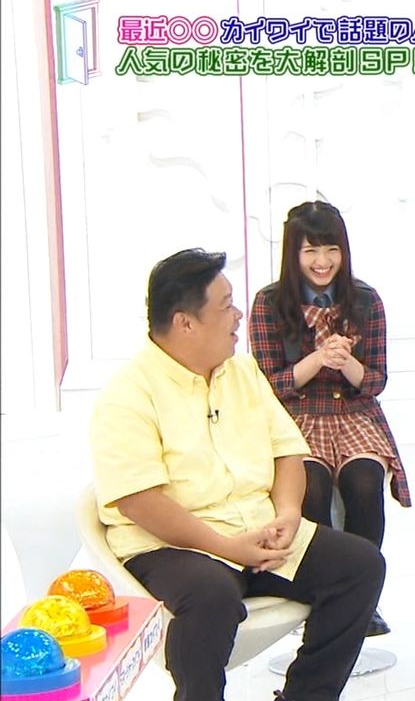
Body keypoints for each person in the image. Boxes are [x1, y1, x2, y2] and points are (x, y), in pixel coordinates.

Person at [89, 248, 385, 701]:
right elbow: (139, 502)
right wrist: (226, 547)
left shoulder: (242, 371)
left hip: (256, 529)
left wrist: (288, 514)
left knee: (360, 566)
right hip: (172, 545)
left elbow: (287, 453)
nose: (238, 316)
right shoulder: (127, 394)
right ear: (185, 323)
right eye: (226, 305)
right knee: (209, 598)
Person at [248, 200, 410, 637]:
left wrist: (346, 363)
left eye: (331, 249)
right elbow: (268, 385)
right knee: (311, 488)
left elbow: (375, 380)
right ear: (293, 254)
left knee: (365, 483)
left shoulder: (365, 300)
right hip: (297, 416)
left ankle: (363, 599)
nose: (323, 262)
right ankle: (320, 599)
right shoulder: (269, 303)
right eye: (311, 251)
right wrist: (318, 359)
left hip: (354, 413)